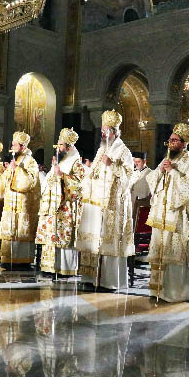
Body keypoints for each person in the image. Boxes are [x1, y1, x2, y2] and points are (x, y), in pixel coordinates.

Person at [76, 109, 134, 290]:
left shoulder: (124, 151)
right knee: (93, 239)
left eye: (106, 130)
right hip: (95, 203)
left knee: (108, 241)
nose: (102, 133)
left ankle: (108, 281)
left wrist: (113, 165)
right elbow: (93, 173)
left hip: (112, 204)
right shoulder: (101, 150)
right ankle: (90, 278)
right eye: (102, 130)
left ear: (115, 132)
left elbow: (129, 177)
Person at [145, 123, 189, 302]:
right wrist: (160, 170)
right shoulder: (166, 159)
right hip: (161, 213)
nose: (171, 143)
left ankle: (174, 293)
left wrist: (173, 172)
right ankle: (157, 290)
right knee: (160, 250)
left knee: (174, 253)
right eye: (170, 140)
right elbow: (152, 180)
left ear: (184, 143)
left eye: (175, 140)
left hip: (177, 216)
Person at [36, 128, 85, 276]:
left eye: (61, 144)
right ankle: (49, 266)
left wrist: (63, 175)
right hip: (52, 207)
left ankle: (64, 268)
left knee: (63, 237)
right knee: (51, 235)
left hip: (66, 208)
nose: (58, 147)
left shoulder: (76, 162)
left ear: (69, 147)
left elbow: (80, 186)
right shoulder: (59, 161)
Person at [0, 131, 41, 266]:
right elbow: (6, 179)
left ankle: (22, 260)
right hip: (10, 203)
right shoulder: (15, 160)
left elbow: (29, 183)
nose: (12, 147)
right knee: (10, 230)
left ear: (22, 146)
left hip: (23, 205)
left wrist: (16, 169)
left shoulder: (31, 162)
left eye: (14, 145)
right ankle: (8, 258)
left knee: (21, 230)